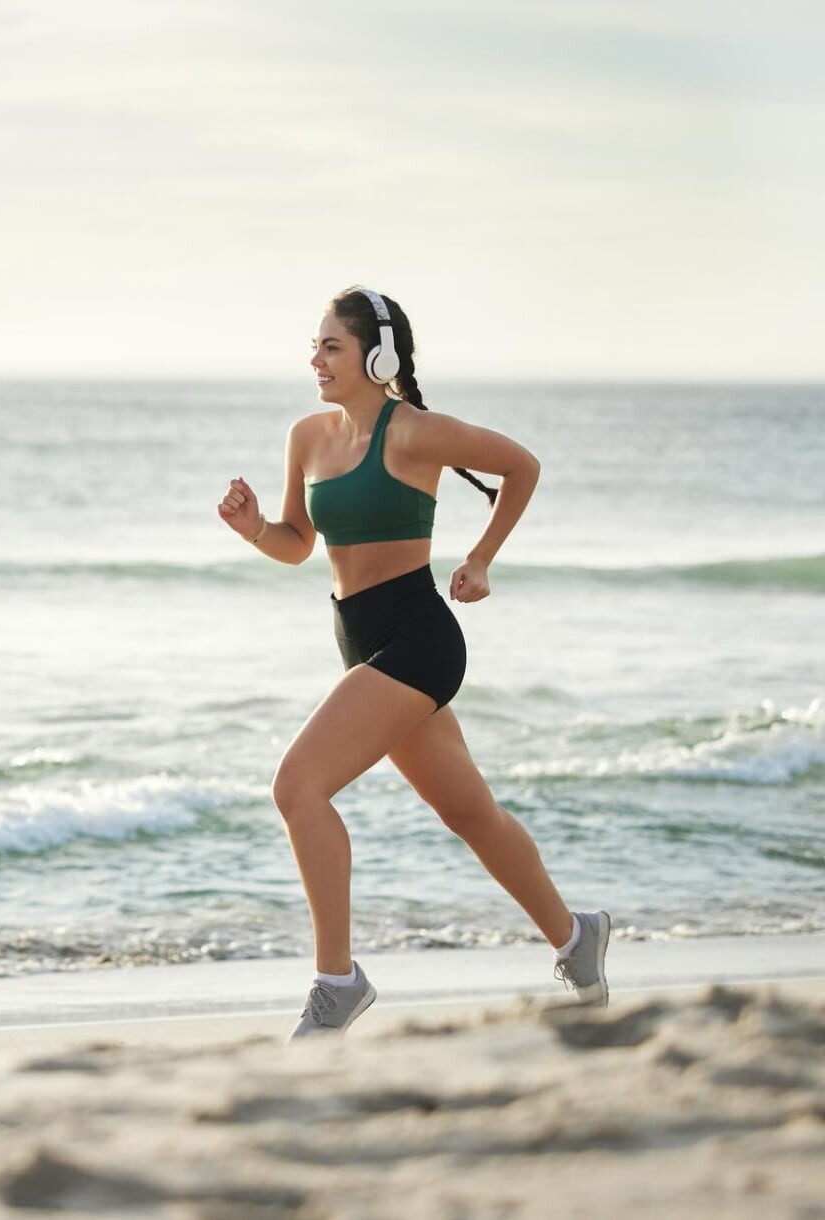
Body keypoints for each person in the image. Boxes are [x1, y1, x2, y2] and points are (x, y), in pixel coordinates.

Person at [215, 285, 610, 1039]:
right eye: (316, 345)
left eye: (331, 346)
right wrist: (252, 527)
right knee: (469, 813)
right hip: (359, 644)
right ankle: (575, 935)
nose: (316, 360)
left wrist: (483, 559)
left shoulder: (415, 433)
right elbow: (298, 545)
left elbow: (521, 466)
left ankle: (338, 982)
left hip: (419, 642)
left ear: (378, 356)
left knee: (297, 787)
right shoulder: (307, 436)